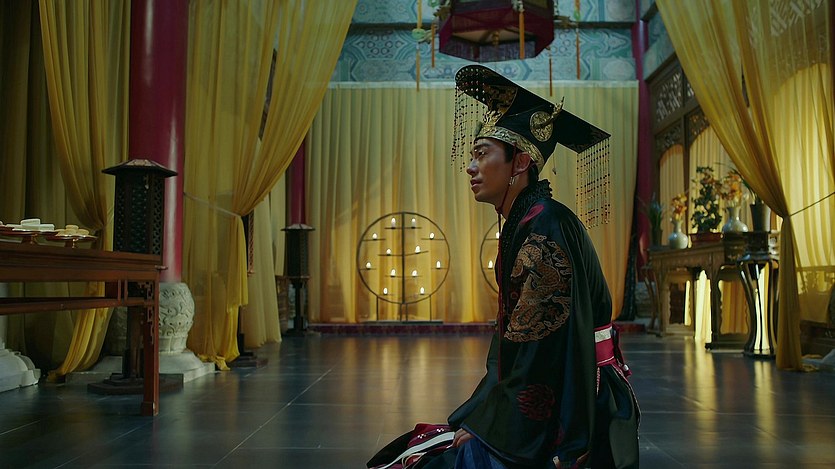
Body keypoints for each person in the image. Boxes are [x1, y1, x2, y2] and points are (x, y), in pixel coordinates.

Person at [368, 65, 639, 469]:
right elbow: (515, 343)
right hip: (548, 390)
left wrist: (488, 426)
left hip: (573, 402)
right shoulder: (528, 219)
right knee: (415, 450)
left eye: (482, 154)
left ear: (520, 161)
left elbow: (541, 349)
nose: (470, 166)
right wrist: (484, 413)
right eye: (472, 155)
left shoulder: (546, 225)